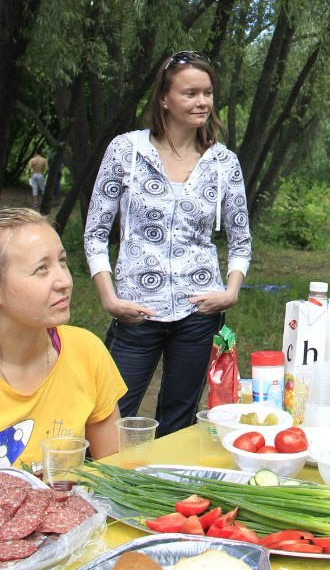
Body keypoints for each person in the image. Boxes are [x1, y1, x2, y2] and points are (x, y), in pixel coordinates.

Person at [84, 51, 252, 437]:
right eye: (190, 93)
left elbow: (240, 240)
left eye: (208, 93)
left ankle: (162, 491)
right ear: (164, 98)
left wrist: (231, 291)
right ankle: (98, 493)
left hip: (199, 312)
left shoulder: (223, 162)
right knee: (111, 418)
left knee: (178, 419)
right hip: (135, 311)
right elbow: (95, 233)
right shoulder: (126, 152)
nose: (202, 102)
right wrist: (109, 298)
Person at [0, 209, 125, 470]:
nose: (64, 281)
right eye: (41, 269)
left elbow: (114, 472)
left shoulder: (86, 351)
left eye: (62, 261)